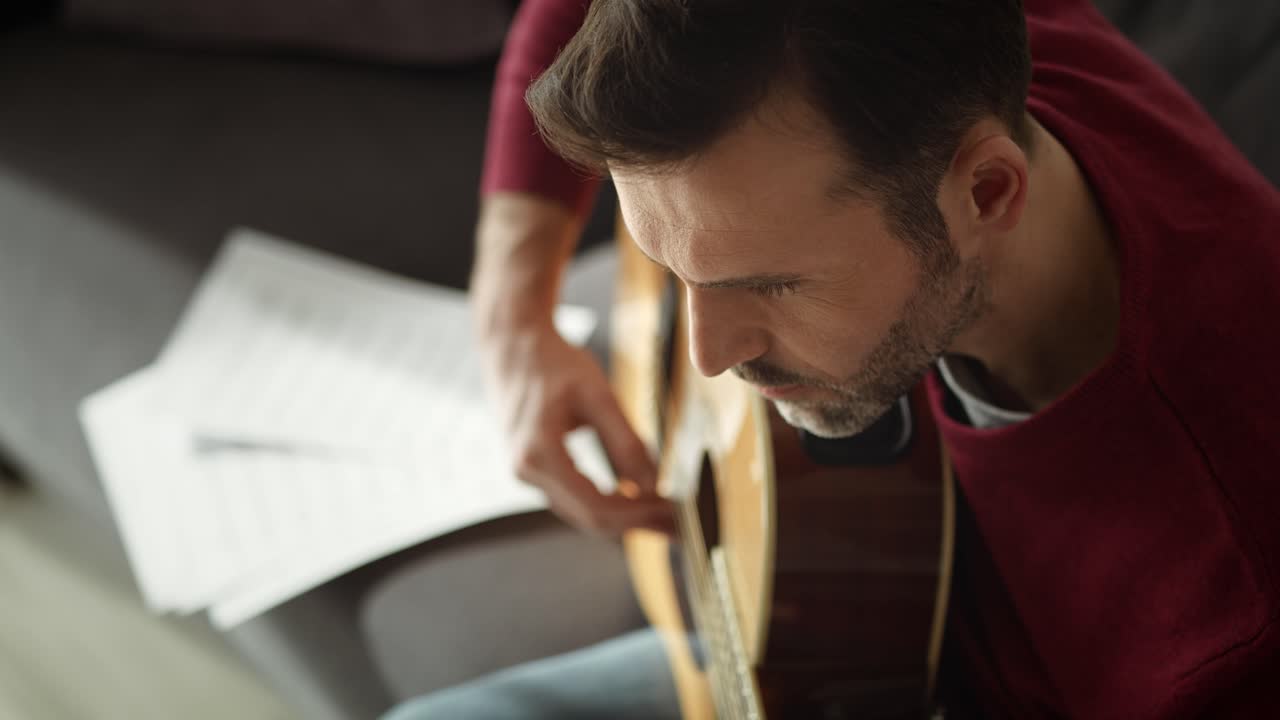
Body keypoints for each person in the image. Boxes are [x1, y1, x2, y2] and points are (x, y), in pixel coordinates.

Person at [386, 0, 1280, 717]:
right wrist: (513, 321)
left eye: (769, 283)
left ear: (987, 190)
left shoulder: (1226, 616)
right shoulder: (936, 39)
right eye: (674, 270)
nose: (706, 357)